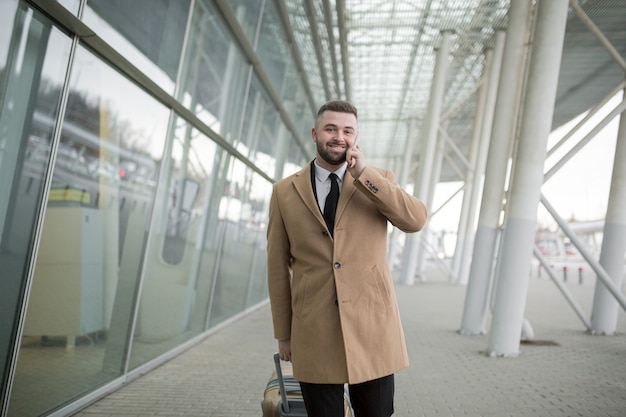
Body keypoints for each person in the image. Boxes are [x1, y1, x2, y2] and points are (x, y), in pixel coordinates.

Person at [266, 100, 427, 417]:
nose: (339, 137)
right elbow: (276, 268)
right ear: (315, 133)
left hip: (372, 328)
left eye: (347, 130)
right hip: (314, 330)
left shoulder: (377, 179)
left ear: (356, 137)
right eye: (331, 129)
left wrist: (364, 173)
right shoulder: (284, 192)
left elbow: (415, 220)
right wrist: (283, 334)